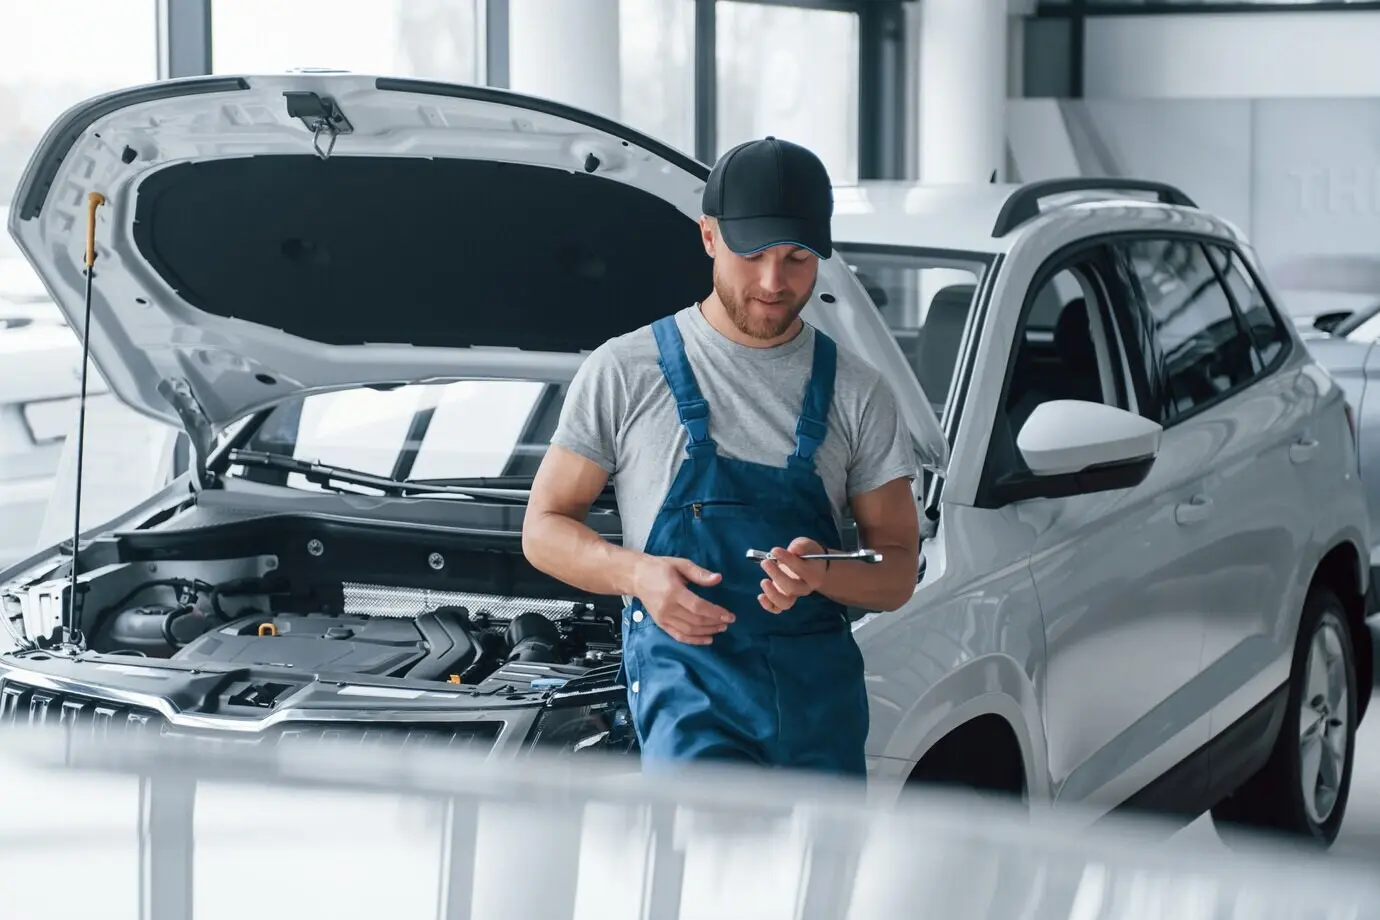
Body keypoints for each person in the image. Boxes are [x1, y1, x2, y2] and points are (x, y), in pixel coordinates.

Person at [521, 136, 920, 777]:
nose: (773, 282)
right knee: (709, 873)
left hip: (818, 713)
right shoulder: (625, 371)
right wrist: (639, 577)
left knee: (816, 880)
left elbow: (898, 571)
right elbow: (543, 530)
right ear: (709, 237)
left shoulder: (858, 391)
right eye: (753, 253)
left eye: (797, 258)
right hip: (688, 700)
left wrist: (821, 573)